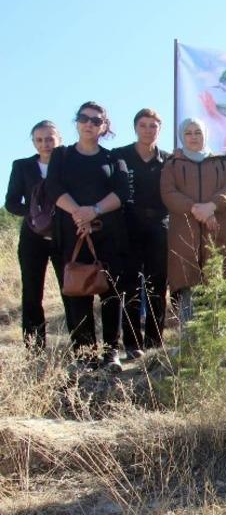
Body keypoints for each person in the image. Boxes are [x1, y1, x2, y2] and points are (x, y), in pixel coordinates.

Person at [44, 102, 130, 370]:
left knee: (112, 294)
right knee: (76, 293)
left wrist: (93, 211)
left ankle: (110, 353)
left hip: (109, 235)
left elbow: (122, 193)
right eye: (84, 118)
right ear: (77, 121)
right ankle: (85, 356)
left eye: (96, 120)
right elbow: (53, 187)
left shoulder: (114, 158)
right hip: (71, 235)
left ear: (104, 126)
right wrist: (78, 214)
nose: (89, 123)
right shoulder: (62, 155)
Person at [161, 117, 226, 325]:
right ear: (181, 136)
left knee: (217, 286)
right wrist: (195, 208)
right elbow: (168, 192)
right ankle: (188, 344)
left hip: (217, 233)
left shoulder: (221, 161)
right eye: (188, 133)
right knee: (188, 287)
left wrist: (212, 206)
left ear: (205, 134)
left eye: (198, 132)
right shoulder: (173, 164)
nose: (193, 137)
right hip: (184, 234)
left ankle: (219, 342)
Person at [6, 120, 68, 350]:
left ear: (59, 140)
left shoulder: (68, 164)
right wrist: (32, 213)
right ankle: (35, 348)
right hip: (32, 239)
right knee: (32, 293)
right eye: (40, 140)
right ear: (33, 142)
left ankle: (81, 346)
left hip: (63, 236)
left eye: (50, 139)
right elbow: (11, 203)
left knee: (70, 290)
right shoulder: (22, 166)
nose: (45, 144)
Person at [114, 108, 169, 357]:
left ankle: (155, 342)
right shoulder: (119, 156)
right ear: (135, 128)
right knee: (131, 286)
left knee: (157, 286)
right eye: (143, 125)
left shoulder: (168, 160)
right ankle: (132, 343)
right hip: (129, 229)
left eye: (153, 126)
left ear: (160, 129)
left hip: (159, 229)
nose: (148, 130)